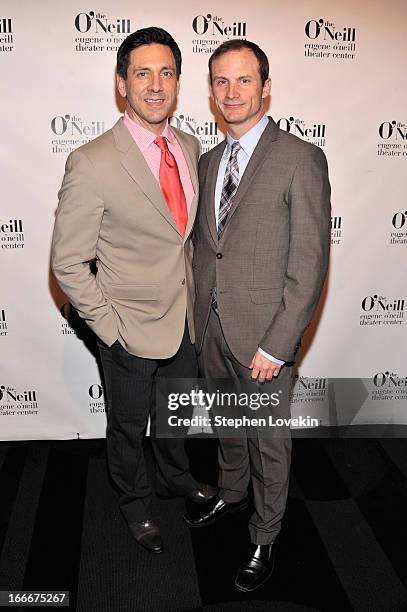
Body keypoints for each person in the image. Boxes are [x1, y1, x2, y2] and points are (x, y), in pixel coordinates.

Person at [51, 27, 216, 555]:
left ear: (178, 84)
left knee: (175, 414)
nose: (155, 84)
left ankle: (174, 477)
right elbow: (67, 262)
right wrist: (109, 328)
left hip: (184, 318)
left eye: (166, 72)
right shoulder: (93, 161)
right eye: (142, 73)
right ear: (122, 84)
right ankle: (136, 504)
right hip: (126, 328)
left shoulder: (189, 147)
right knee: (126, 429)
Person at [186, 39, 331, 591]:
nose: (232, 92)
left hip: (265, 335)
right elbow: (207, 250)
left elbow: (311, 262)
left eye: (244, 80)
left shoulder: (300, 157)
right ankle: (230, 494)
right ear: (211, 90)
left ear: (266, 88)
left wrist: (279, 343)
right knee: (228, 426)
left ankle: (265, 534)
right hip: (212, 327)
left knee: (268, 439)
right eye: (221, 81)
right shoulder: (205, 161)